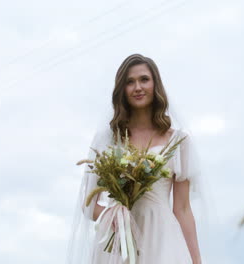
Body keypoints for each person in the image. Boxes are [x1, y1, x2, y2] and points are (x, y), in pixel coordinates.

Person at [67, 54, 209, 264]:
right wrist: (114, 216)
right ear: (121, 90)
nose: (137, 87)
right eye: (129, 82)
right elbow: (88, 205)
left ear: (155, 84)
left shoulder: (179, 141)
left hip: (163, 241)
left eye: (144, 79)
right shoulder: (107, 139)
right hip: (117, 245)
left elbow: (183, 209)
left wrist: (197, 260)